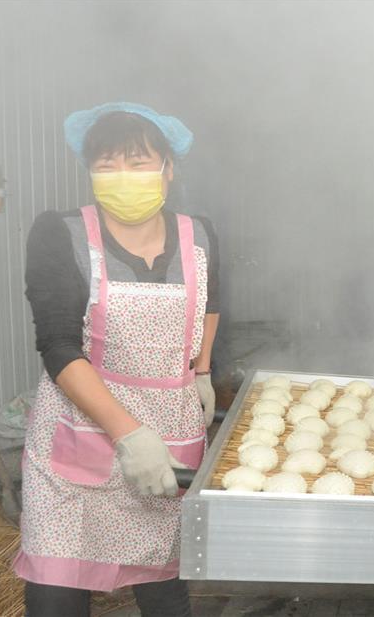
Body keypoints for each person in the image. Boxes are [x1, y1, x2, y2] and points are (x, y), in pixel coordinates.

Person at [13, 102, 220, 617]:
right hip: (78, 440)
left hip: (169, 434)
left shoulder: (200, 235)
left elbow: (212, 301)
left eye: (137, 163)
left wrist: (204, 370)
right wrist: (128, 435)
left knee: (164, 591)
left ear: (169, 169)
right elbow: (58, 344)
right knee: (56, 594)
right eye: (106, 166)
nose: (122, 177)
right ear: (89, 173)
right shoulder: (58, 234)